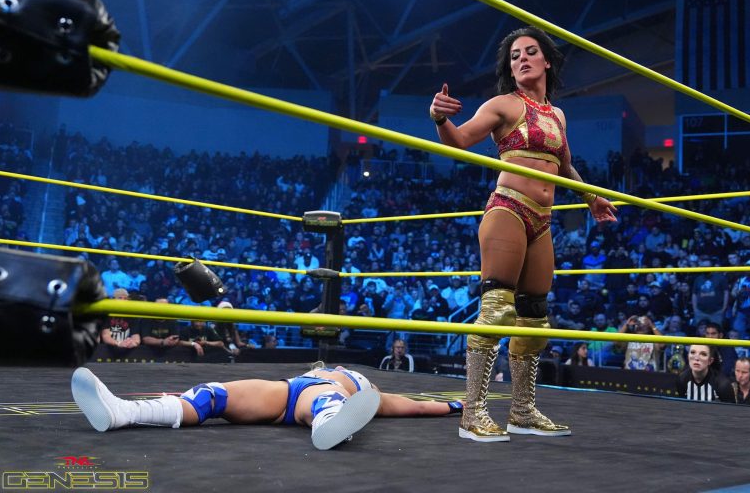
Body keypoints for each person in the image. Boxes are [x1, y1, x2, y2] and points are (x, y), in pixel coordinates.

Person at [430, 25, 617, 441]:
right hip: (508, 210)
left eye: (530, 52)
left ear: (546, 61)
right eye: (515, 56)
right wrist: (440, 117)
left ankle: (522, 411)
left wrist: (591, 199)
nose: (522, 60)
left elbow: (564, 166)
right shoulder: (503, 105)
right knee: (498, 310)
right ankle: (473, 413)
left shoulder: (558, 115)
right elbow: (460, 141)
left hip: (542, 220)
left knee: (534, 319)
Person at [71, 364, 463, 451]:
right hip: (285, 392)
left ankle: (330, 421)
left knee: (325, 399)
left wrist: (454, 404)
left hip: (318, 395)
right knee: (210, 395)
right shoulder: (326, 373)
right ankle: (124, 412)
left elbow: (414, 406)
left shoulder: (369, 389)